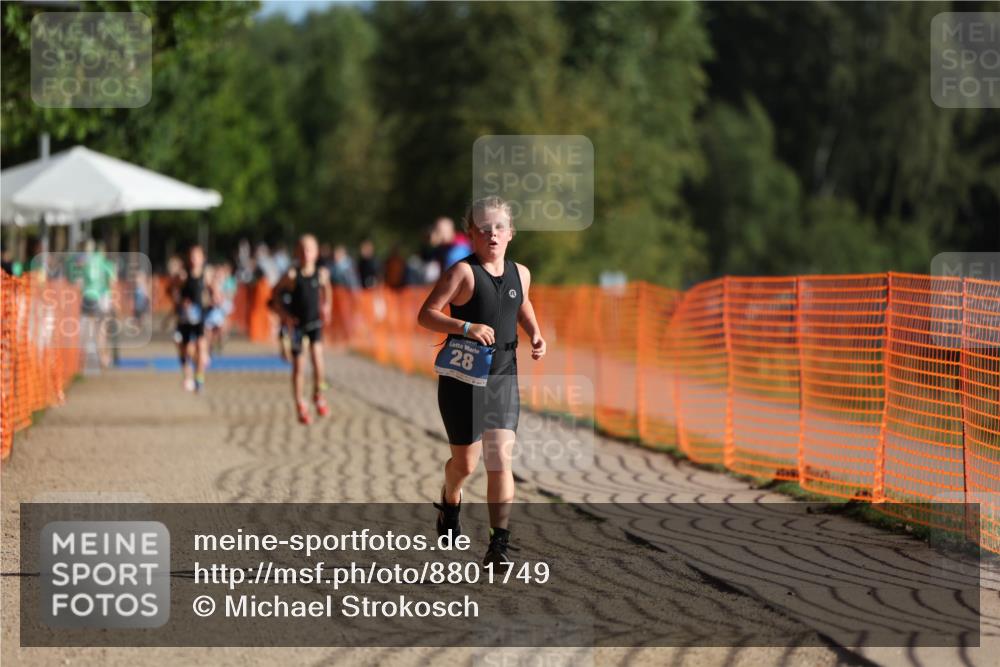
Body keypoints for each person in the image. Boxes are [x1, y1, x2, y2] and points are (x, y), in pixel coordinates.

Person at [417, 196, 546, 566]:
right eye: (484, 229)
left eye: (499, 228)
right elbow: (426, 315)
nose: (492, 235)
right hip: (463, 377)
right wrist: (466, 327)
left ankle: (498, 545)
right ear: (471, 234)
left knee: (500, 461)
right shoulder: (462, 273)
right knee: (465, 464)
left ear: (511, 233)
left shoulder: (521, 272)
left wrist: (535, 333)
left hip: (504, 372)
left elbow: (521, 302)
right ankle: (450, 500)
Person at [270, 235, 333, 425]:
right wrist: (284, 314)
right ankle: (300, 404)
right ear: (297, 253)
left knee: (319, 362)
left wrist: (327, 305)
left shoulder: (321, 274)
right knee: (299, 366)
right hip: (297, 325)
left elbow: (327, 289)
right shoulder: (291, 275)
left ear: (316, 252)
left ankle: (318, 395)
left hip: (314, 324)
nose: (306, 253)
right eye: (302, 249)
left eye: (310, 249)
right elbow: (275, 294)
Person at [170, 244, 212, 392]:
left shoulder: (206, 275)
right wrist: (180, 301)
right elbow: (172, 290)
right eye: (192, 256)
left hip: (200, 317)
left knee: (201, 346)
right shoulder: (183, 275)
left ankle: (199, 379)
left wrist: (213, 298)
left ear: (203, 258)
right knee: (185, 348)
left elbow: (213, 292)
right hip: (185, 318)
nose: (194, 259)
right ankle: (188, 375)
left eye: (197, 256)